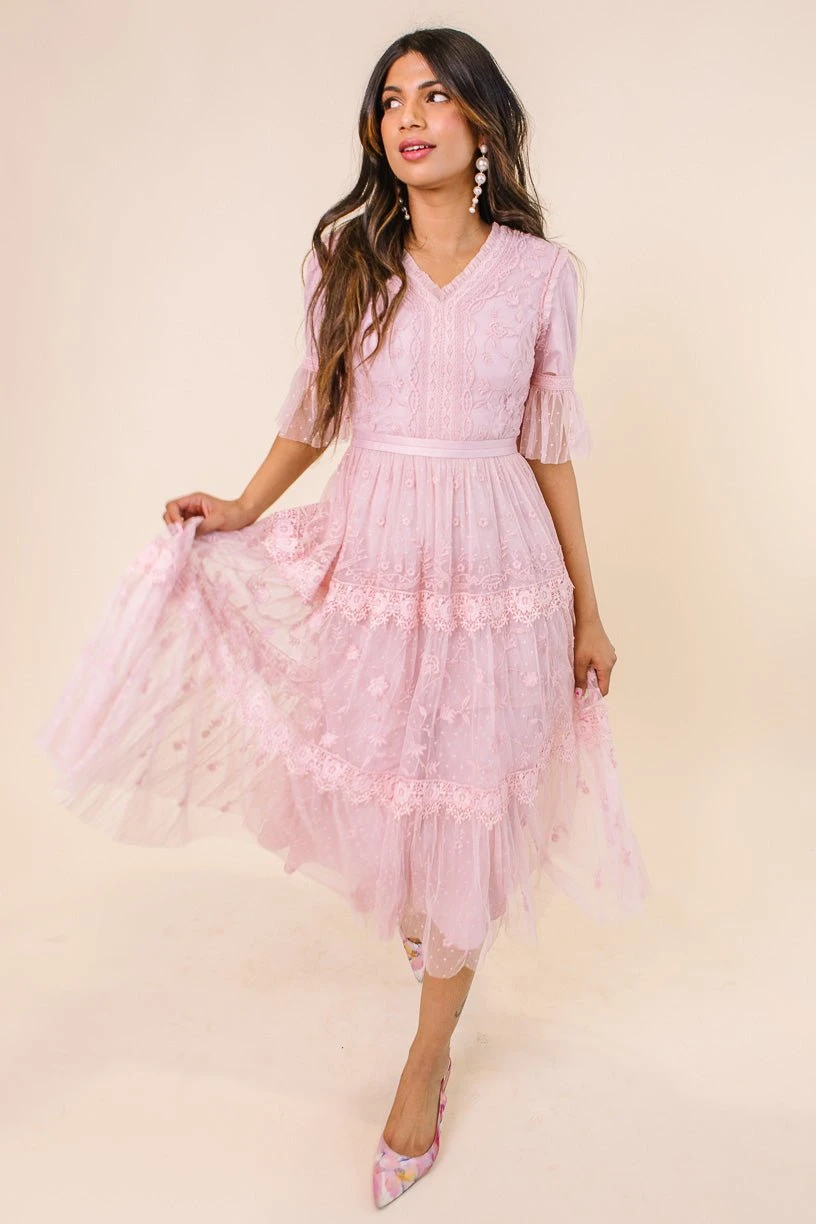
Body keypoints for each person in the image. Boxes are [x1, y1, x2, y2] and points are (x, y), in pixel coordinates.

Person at [35, 26, 650, 1210]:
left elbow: (551, 449)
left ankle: (427, 1057)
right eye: (390, 100)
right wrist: (242, 505)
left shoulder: (541, 275)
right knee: (389, 781)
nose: (408, 116)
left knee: (468, 806)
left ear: (482, 121)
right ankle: (430, 919)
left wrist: (590, 608)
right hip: (376, 557)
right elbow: (315, 408)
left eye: (435, 96)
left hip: (497, 570)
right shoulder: (349, 257)